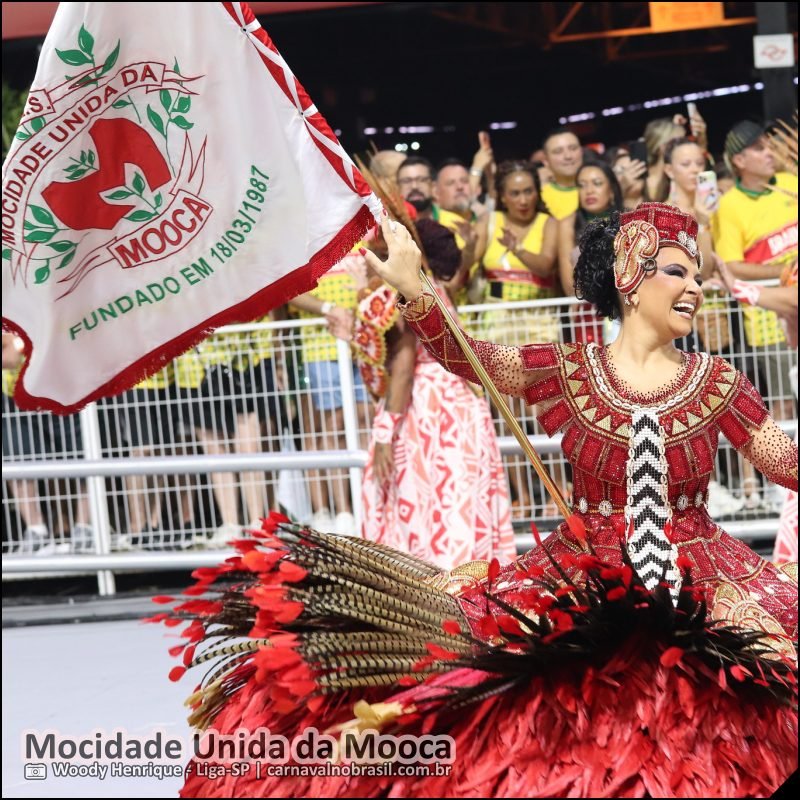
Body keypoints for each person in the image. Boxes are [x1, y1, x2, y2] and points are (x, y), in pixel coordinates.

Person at [165, 205, 797, 798]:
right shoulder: (570, 369)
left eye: (698, 275)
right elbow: (471, 358)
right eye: (678, 272)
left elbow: (782, 462)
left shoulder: (719, 382)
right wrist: (416, 290)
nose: (695, 288)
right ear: (630, 278)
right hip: (581, 570)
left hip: (705, 570)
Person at [351, 218, 515, 569]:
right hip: (462, 406)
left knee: (425, 510)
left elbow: (403, 366)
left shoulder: (397, 295)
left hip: (427, 414)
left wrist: (384, 435)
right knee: (462, 506)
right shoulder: (435, 288)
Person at [480, 159, 559, 519]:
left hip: (538, 325)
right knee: (505, 416)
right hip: (497, 326)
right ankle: (522, 496)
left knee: (545, 411)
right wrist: (468, 246)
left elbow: (546, 266)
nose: (523, 199)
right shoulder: (489, 221)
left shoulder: (549, 223)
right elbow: (469, 266)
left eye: (528, 191)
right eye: (515, 193)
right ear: (502, 196)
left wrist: (517, 249)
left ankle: (559, 488)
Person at [539, 127, 583, 220]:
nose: (568, 156)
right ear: (545, 160)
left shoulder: (601, 190)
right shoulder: (540, 198)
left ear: (581, 152)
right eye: (558, 151)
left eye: (573, 148)